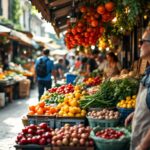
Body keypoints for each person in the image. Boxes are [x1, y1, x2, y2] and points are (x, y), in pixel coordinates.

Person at [125, 27, 150, 150]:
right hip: (139, 137)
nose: (139, 46)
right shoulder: (148, 72)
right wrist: (137, 112)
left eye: (142, 42)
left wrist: (142, 146)